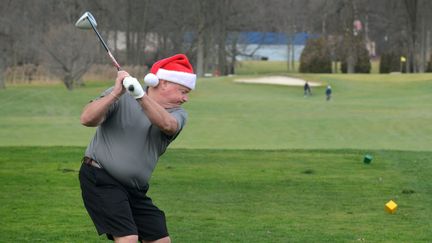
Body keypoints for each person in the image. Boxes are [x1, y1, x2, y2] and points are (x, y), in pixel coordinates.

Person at [79, 54, 196, 243]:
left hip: (135, 190)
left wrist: (140, 96)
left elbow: (167, 125)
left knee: (160, 240)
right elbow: (86, 119)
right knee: (128, 238)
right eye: (183, 91)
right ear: (164, 83)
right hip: (100, 176)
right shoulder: (120, 95)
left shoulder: (178, 114)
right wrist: (116, 93)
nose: (185, 99)